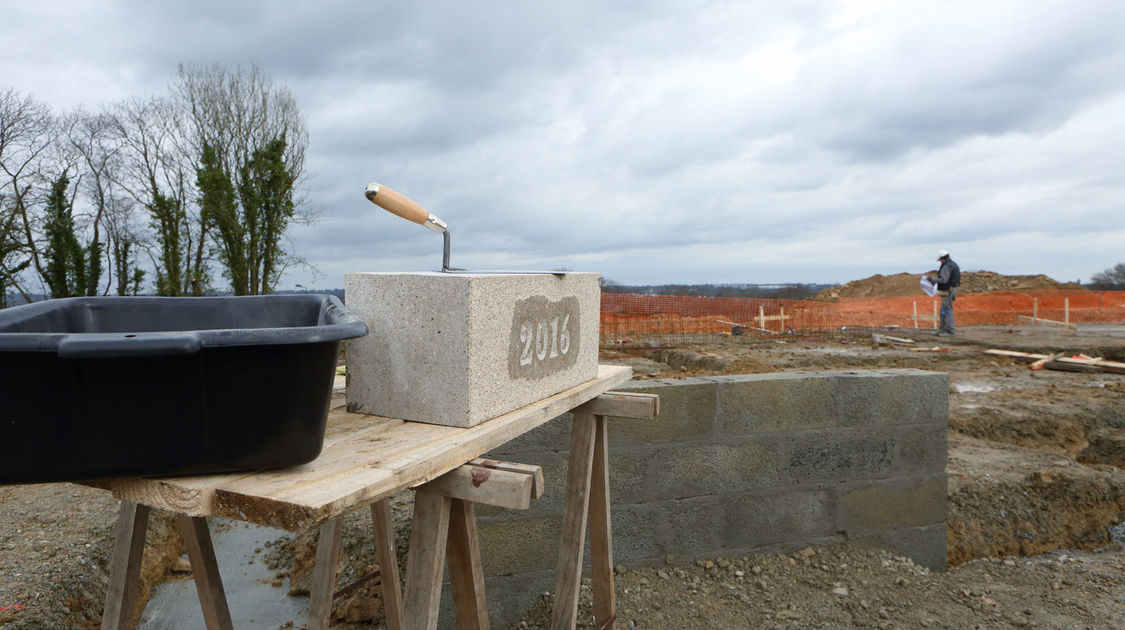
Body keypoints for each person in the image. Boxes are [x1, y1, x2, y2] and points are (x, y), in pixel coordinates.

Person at [928, 250, 961, 336]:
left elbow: (943, 280)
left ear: (943, 258)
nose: (940, 262)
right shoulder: (953, 264)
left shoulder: (947, 266)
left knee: (947, 310)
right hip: (951, 290)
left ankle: (949, 331)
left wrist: (932, 279)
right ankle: (942, 329)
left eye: (940, 260)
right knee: (943, 310)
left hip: (948, 291)